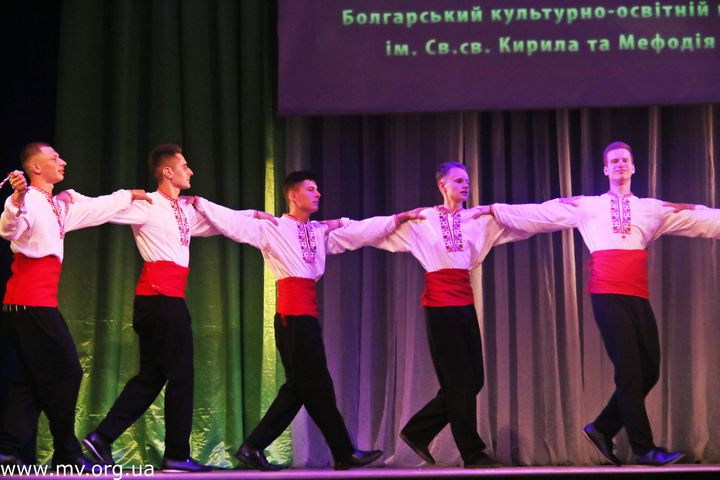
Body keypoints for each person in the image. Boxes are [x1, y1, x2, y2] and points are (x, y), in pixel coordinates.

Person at [483, 141, 720, 466]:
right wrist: (495, 209)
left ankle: (602, 428)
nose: (620, 164)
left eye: (625, 160)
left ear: (633, 168)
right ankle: (644, 448)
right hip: (607, 294)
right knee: (630, 373)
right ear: (606, 170)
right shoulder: (589, 206)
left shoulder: (649, 208)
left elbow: (697, 217)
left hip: (637, 295)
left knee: (649, 370)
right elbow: (541, 213)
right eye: (614, 161)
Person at [193, 171, 424, 471]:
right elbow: (233, 223)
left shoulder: (317, 231)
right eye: (311, 189)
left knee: (302, 388)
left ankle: (258, 446)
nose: (318, 194)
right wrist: (201, 203)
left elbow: (358, 231)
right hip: (292, 319)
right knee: (316, 387)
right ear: (293, 195)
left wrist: (395, 219)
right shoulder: (273, 228)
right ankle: (340, 452)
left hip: (305, 318)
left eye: (317, 189)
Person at [81, 144, 273, 472]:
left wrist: (253, 216)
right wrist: (72, 200)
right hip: (160, 301)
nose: (191, 171)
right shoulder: (148, 205)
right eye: (184, 166)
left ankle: (101, 438)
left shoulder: (183, 211)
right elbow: (104, 210)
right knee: (181, 377)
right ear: (167, 171)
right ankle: (176, 454)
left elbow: (220, 222)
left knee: (151, 377)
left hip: (164, 302)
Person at [370, 162, 533, 468]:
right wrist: (391, 219)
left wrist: (562, 212)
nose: (465, 185)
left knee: (474, 380)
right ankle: (472, 453)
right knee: (459, 382)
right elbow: (376, 233)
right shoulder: (424, 219)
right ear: (442, 185)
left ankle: (418, 430)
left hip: (464, 304)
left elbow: (522, 222)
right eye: (458, 180)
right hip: (439, 306)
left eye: (467, 180)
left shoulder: (475, 219)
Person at [0, 143, 149, 468]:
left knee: (33, 379)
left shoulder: (58, 206)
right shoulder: (29, 202)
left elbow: (96, 208)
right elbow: (9, 229)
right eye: (54, 158)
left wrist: (128, 195)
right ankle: (65, 452)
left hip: (31, 305)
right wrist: (17, 199)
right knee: (67, 372)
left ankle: (7, 448)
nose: (63, 161)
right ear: (35, 167)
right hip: (29, 304)